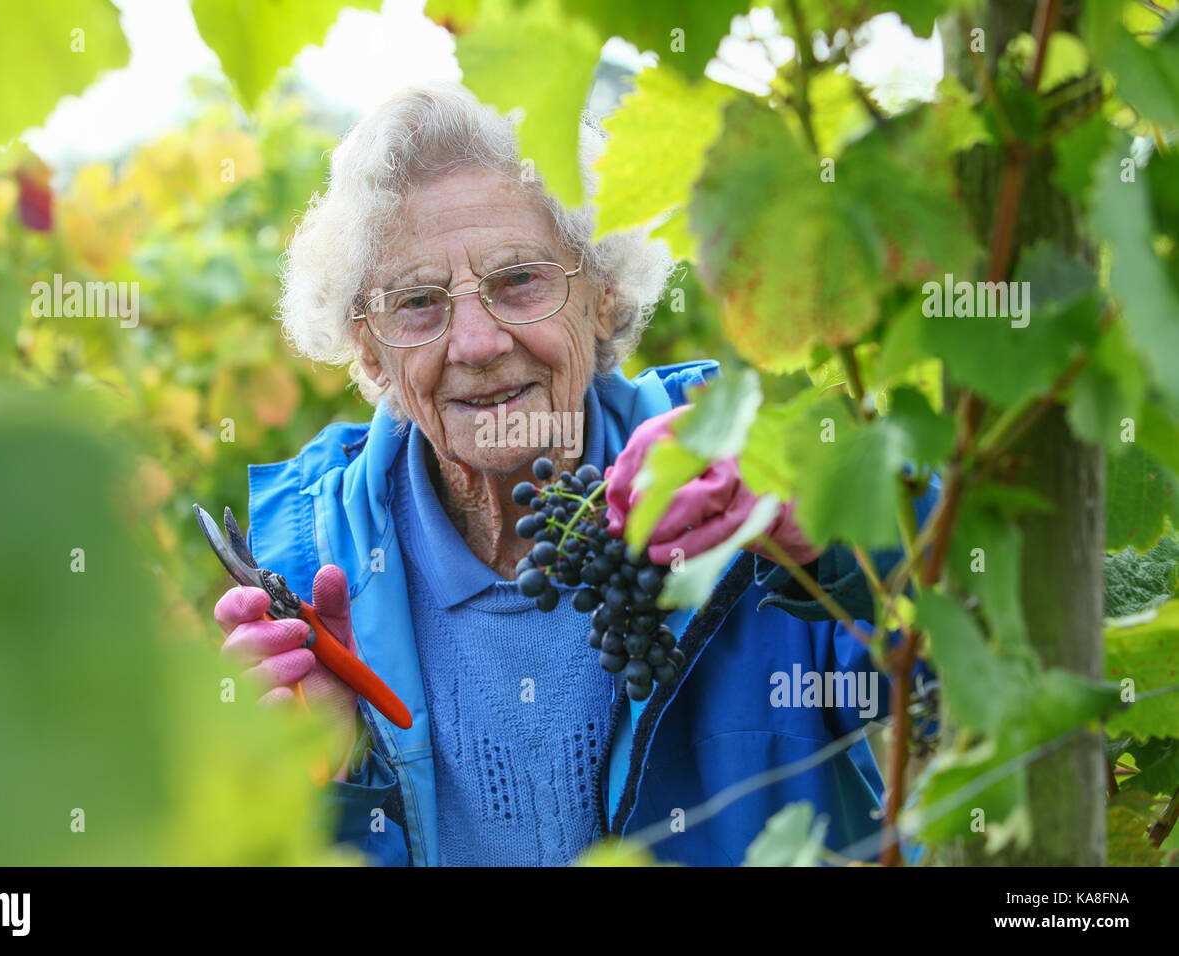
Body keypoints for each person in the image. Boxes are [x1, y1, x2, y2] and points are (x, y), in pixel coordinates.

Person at [213, 84, 934, 866]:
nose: (479, 343)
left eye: (520, 280)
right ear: (368, 350)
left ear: (603, 295)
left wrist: (837, 529)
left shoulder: (735, 470)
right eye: (419, 303)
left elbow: (983, 655)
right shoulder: (304, 569)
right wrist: (331, 776)